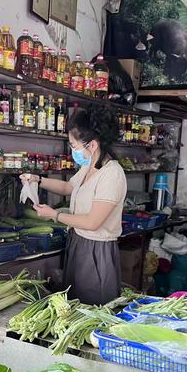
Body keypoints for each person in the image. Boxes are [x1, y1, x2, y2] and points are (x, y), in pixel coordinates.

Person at [20, 106, 127, 305]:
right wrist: (37, 179)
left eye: (74, 145)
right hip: (78, 242)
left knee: (93, 307)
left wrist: (54, 215)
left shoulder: (112, 173)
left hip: (97, 251)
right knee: (75, 303)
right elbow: (68, 187)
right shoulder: (89, 167)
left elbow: (93, 222)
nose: (73, 150)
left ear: (92, 145)